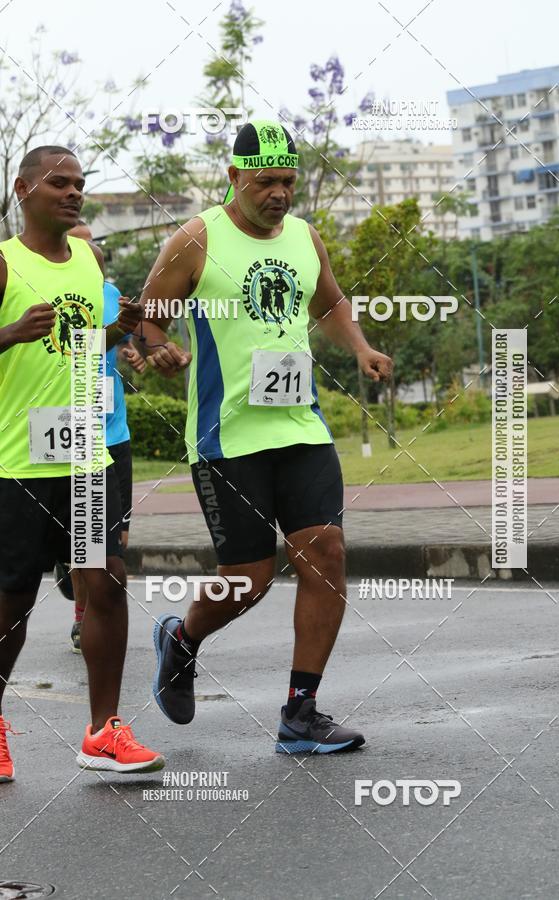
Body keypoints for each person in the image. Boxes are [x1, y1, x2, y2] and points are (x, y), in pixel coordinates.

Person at [140, 120, 392, 754]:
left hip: (300, 426)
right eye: (266, 182)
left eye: (288, 181)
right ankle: (183, 639)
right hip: (228, 438)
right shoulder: (197, 238)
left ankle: (300, 712)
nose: (279, 193)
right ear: (234, 178)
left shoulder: (307, 238)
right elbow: (148, 315)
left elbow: (329, 303)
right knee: (247, 582)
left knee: (326, 553)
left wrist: (360, 346)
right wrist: (159, 348)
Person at [0, 146, 164, 781]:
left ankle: (103, 730)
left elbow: (83, 346)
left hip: (85, 455)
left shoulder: (90, 262)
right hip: (17, 462)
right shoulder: (5, 262)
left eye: (79, 185)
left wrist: (120, 330)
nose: (73, 194)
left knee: (107, 580)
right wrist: (10, 332)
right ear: (23, 190)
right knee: (12, 601)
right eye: (59, 184)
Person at [56, 221, 146, 653]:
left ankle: (83, 584)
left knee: (115, 539)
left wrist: (133, 352)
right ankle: (83, 617)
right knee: (89, 539)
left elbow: (127, 340)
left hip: (115, 430)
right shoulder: (50, 295)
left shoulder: (112, 296)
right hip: (74, 431)